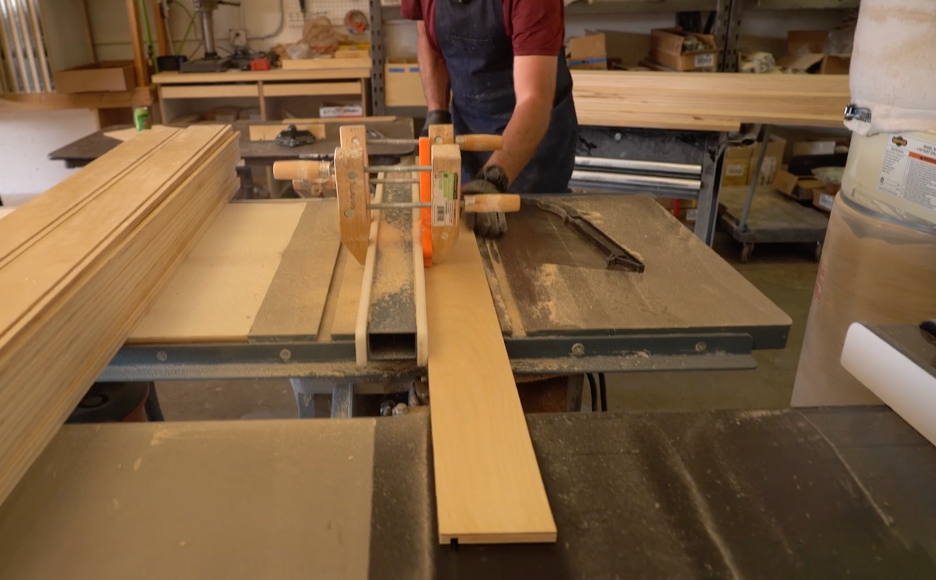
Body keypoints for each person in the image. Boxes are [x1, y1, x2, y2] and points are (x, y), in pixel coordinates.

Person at [402, 0, 578, 237]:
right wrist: (437, 112)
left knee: (531, 243)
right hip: (467, 124)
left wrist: (494, 179)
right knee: (463, 235)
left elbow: (534, 100)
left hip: (531, 138)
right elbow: (425, 35)